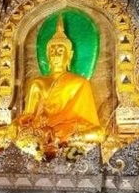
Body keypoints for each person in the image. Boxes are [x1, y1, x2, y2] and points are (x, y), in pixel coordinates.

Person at [16, 15, 103, 143]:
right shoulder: (37, 83)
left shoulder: (80, 83)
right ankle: (56, 140)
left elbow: (89, 122)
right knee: (21, 133)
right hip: (44, 130)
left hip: (69, 129)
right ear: (47, 55)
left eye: (60, 51)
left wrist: (73, 133)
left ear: (70, 55)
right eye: (52, 51)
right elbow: (27, 117)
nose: (56, 55)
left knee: (99, 133)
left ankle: (62, 140)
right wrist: (29, 122)